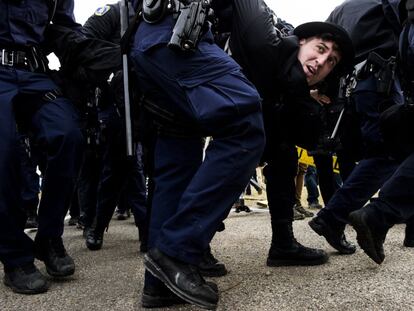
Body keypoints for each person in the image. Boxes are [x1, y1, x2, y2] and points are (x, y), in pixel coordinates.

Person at [129, 0, 266, 308]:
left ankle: (160, 285)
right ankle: (176, 251)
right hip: (177, 34)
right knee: (244, 122)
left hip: (157, 38)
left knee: (179, 157)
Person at [227, 0, 354, 267]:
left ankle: (283, 243)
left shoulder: (296, 88)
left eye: (330, 61)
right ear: (299, 42)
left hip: (261, 113)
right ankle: (187, 247)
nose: (321, 62)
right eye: (319, 49)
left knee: (283, 156)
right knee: (234, 155)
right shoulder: (263, 42)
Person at [308, 0, 408, 255]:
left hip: (350, 89)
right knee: (387, 154)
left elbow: (327, 48)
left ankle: (339, 218)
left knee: (376, 155)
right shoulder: (385, 2)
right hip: (380, 81)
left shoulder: (341, 9)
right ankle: (335, 218)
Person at [0, 0, 84, 294]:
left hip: (34, 72)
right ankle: (15, 258)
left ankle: (49, 237)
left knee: (69, 134)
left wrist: (88, 52)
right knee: (5, 153)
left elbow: (64, 25)